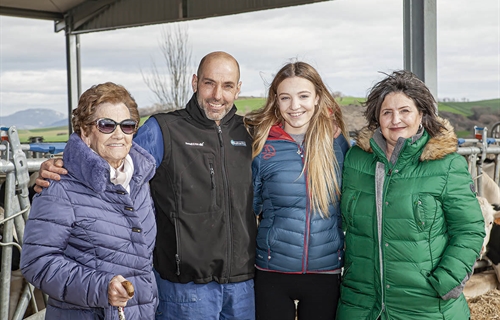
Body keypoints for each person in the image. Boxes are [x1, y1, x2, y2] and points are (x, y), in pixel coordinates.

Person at [34, 51, 257, 320]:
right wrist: (64, 164)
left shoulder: (249, 132)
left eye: (228, 85)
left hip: (242, 286)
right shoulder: (163, 130)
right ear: (195, 81)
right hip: (185, 289)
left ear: (239, 88)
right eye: (209, 83)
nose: (217, 95)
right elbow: (111, 159)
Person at [336, 70, 485, 320]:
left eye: (405, 110)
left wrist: (446, 282)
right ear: (377, 118)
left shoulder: (446, 165)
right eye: (387, 112)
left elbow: (469, 229)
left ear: (421, 115)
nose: (396, 119)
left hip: (427, 307)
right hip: (361, 305)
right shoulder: (356, 161)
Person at [20, 82, 158, 319]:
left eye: (127, 126)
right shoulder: (59, 184)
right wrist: (102, 288)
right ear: (84, 132)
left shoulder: (139, 180)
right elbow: (37, 263)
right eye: (106, 125)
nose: (118, 134)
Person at [244, 61, 349, 320]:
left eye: (303, 96)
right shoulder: (262, 146)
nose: (295, 106)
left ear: (317, 99)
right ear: (276, 101)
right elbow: (249, 208)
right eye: (285, 98)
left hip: (325, 272)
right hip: (272, 271)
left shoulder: (338, 145)